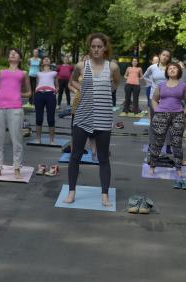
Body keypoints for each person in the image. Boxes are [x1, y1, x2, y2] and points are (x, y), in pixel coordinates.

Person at [65, 33, 120, 206]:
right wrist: (81, 90)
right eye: (93, 46)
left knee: (103, 157)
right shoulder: (82, 65)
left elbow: (116, 83)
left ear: (105, 48)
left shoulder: (112, 67)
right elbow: (72, 80)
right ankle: (71, 192)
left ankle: (104, 194)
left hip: (103, 117)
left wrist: (105, 91)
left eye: (99, 46)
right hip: (82, 116)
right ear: (90, 48)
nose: (96, 49)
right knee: (75, 156)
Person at [0, 48, 31, 179]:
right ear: (8, 58)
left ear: (20, 59)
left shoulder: (23, 73)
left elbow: (29, 93)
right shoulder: (1, 72)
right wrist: (1, 95)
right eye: (10, 53)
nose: (12, 54)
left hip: (15, 108)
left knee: (17, 139)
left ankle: (17, 168)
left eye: (15, 53)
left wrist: (17, 94)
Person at [148, 63, 186, 177]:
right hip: (161, 115)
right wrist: (157, 109)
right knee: (157, 141)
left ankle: (178, 168)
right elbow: (154, 99)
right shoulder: (161, 85)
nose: (172, 70)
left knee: (177, 142)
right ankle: (152, 165)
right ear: (167, 72)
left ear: (179, 71)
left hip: (177, 115)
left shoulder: (183, 85)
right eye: (170, 68)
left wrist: (184, 111)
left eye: (174, 68)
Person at [34, 56, 58, 144]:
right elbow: (37, 84)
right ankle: (38, 139)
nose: (47, 59)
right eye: (44, 59)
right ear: (42, 62)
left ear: (50, 62)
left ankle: (51, 140)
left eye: (48, 58)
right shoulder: (38, 73)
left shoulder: (54, 73)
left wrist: (56, 90)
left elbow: (57, 85)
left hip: (50, 94)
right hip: (39, 94)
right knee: (39, 117)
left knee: (51, 118)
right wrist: (36, 93)